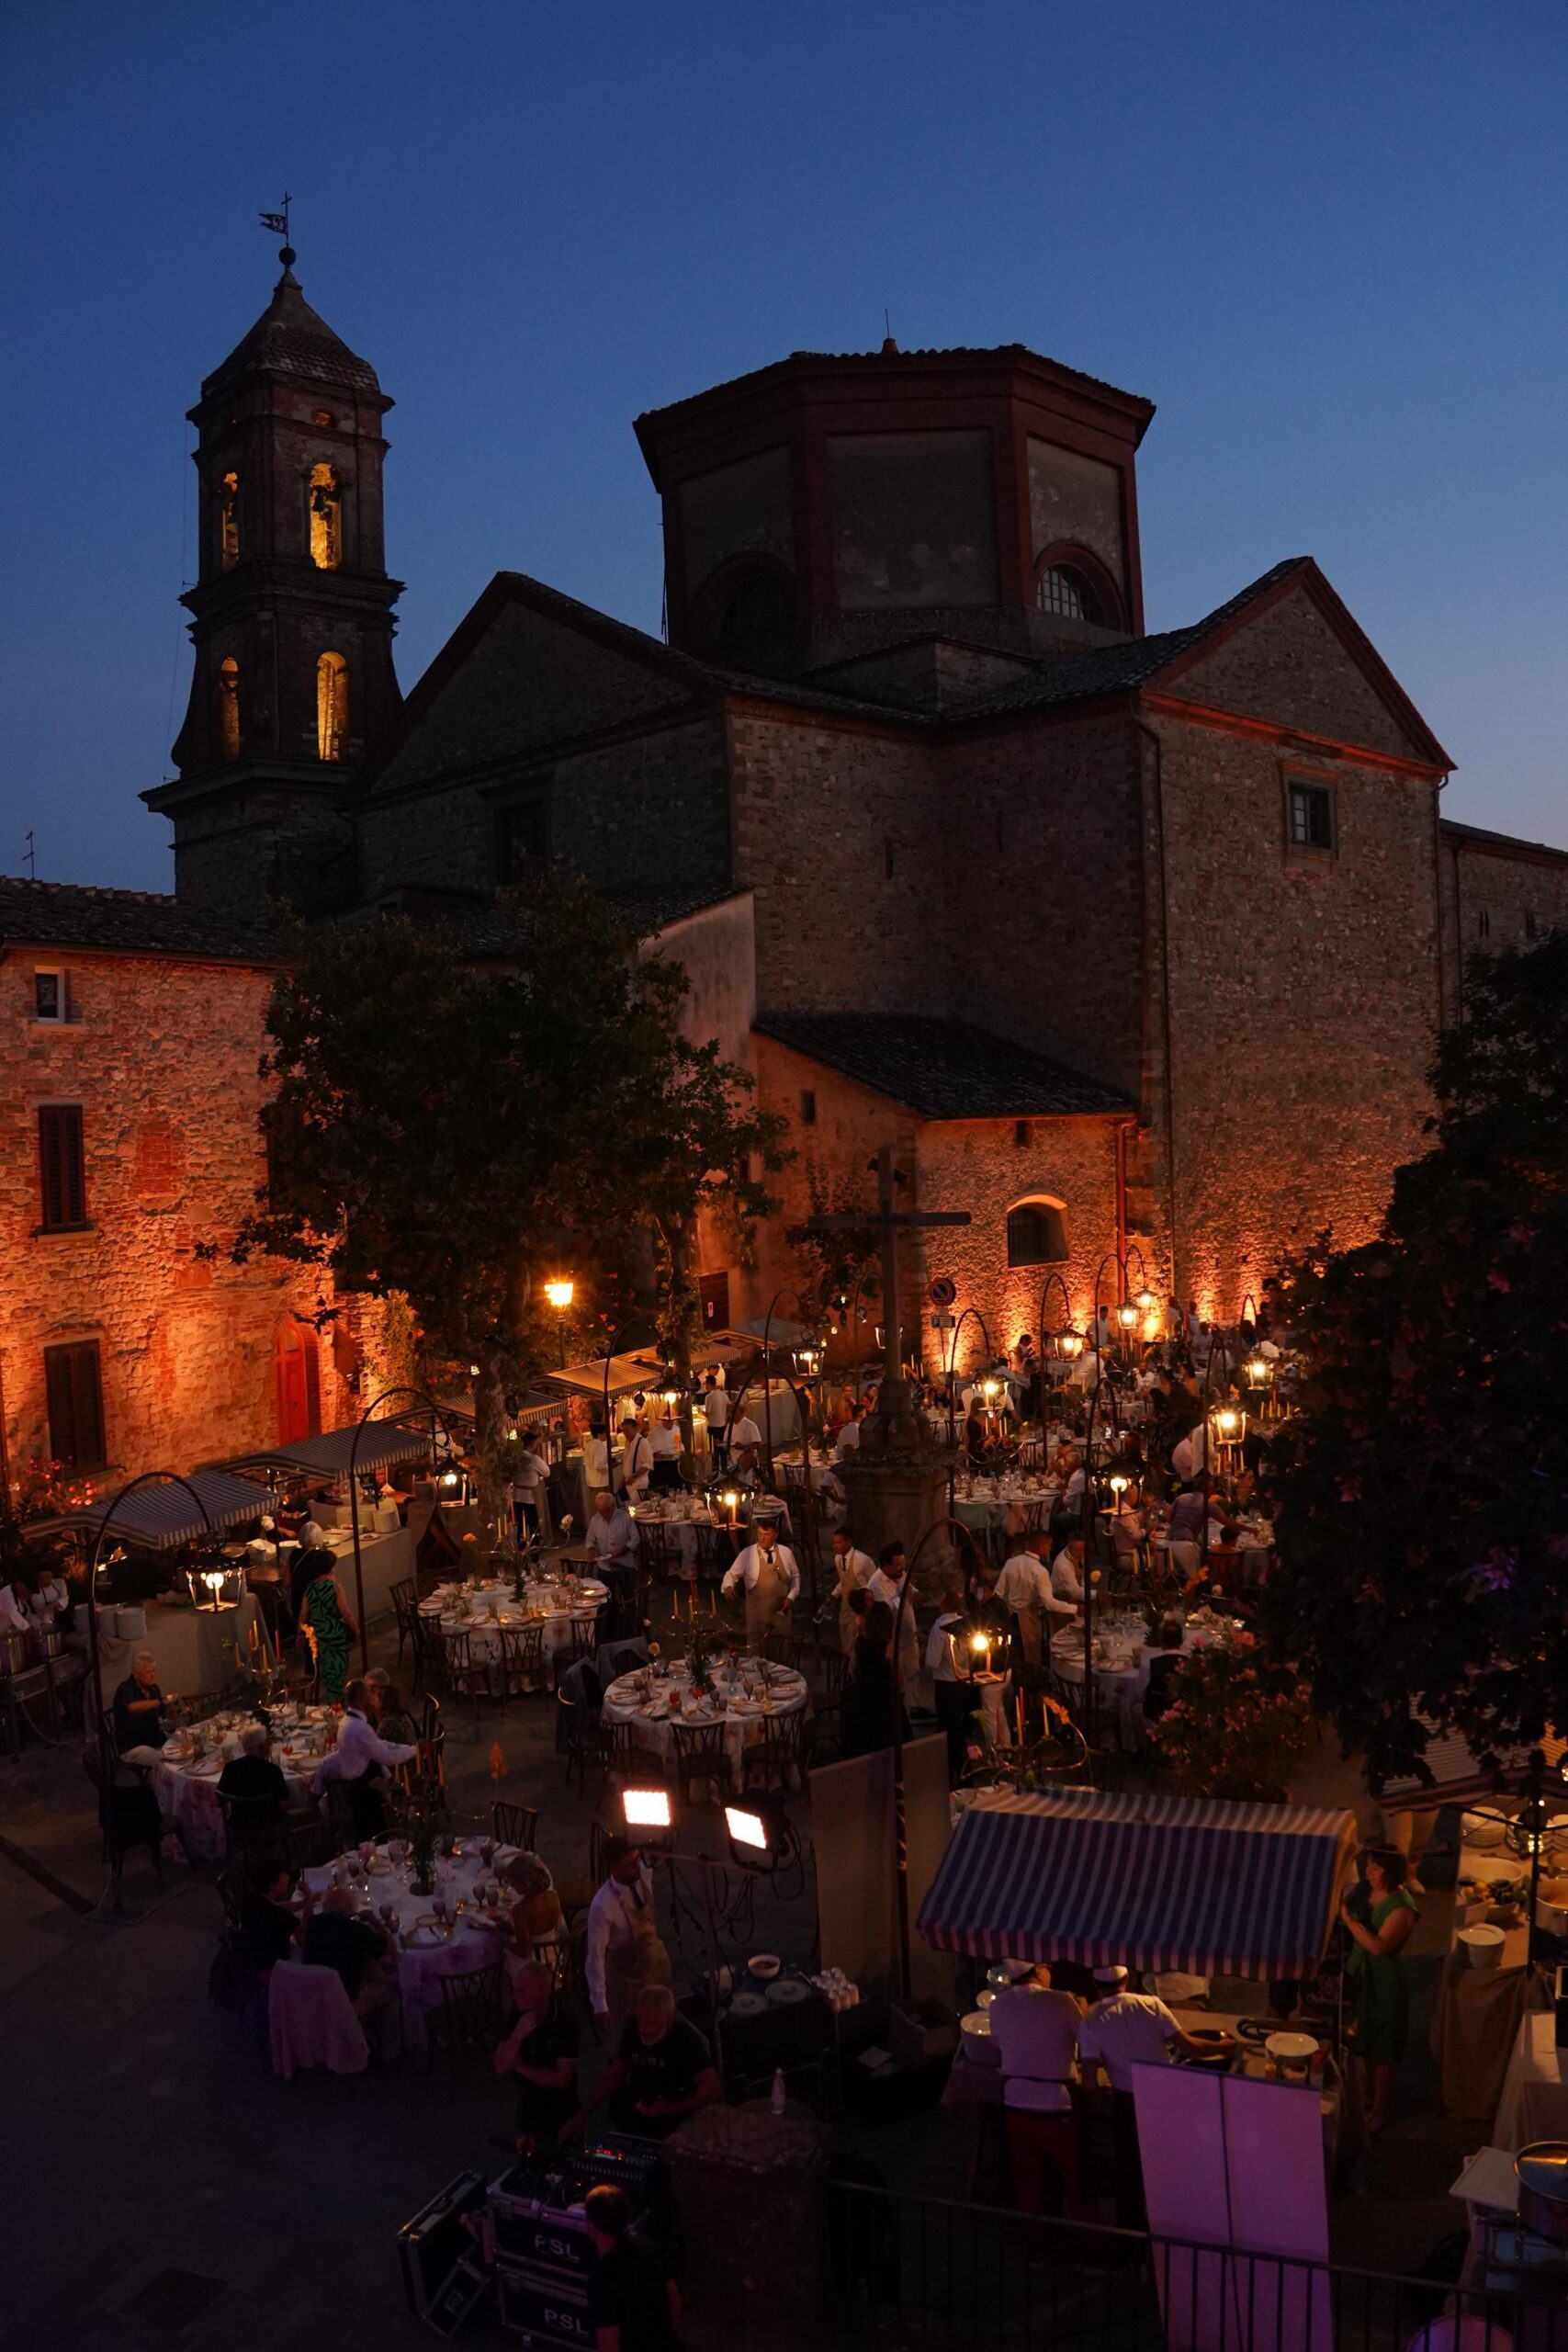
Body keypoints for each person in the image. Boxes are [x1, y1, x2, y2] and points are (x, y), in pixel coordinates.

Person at [1078, 1964, 1212, 2224]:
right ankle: (1171, 2229)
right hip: (1163, 2100)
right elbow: (1189, 2046)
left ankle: (1130, 2240)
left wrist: (1100, 2097)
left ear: (1095, 1984)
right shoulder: (1152, 2004)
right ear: (1127, 1979)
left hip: (1127, 2107)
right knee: (1167, 2167)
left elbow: (1089, 2085)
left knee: (1129, 2173)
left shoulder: (1091, 2021)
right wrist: (1227, 2045)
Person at [989, 1965, 1092, 2219]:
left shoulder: (997, 2005)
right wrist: (1085, 2014)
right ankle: (1092, 2248)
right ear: (1037, 1971)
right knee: (1076, 2176)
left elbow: (997, 2044)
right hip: (1056, 2104)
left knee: (1027, 2179)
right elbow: (1087, 2040)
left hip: (1014, 2103)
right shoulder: (1062, 2001)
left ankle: (1035, 2247)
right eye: (1047, 1966)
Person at [569, 1983, 720, 2144]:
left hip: (673, 2127)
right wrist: (584, 2114)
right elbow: (615, 2074)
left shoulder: (686, 2040)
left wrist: (670, 2108)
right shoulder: (633, 2029)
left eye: (652, 2022)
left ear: (670, 2019)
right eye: (640, 2020)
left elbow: (713, 2088)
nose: (643, 2028)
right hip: (634, 2118)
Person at [1342, 1846, 1418, 2133]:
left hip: (1385, 1982)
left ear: (1391, 1873)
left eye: (1375, 1868)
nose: (1367, 1872)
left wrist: (1349, 1921)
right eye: (1368, 1865)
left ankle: (1381, 2108)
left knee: (1384, 2044)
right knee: (1365, 2036)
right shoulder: (1367, 1887)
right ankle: (1371, 2093)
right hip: (1362, 1976)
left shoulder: (1402, 1908)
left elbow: (1378, 1946)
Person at [585, 1837, 672, 2038]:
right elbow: (595, 1956)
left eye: (637, 1859)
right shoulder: (602, 1905)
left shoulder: (643, 1875)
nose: (637, 1866)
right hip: (627, 1981)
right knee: (631, 2034)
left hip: (657, 1966)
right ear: (614, 1866)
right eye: (630, 1863)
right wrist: (599, 2003)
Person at [299, 1883, 400, 2053]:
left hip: (314, 1998)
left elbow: (304, 1923)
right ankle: (391, 2053)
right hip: (344, 2004)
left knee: (371, 1971)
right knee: (391, 1990)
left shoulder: (313, 1924)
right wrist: (376, 1922)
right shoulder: (356, 1930)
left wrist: (309, 1899)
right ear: (351, 1909)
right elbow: (392, 1949)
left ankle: (365, 2030)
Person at [311, 1677, 418, 1838]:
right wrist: (415, 1750)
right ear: (362, 1697)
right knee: (374, 1838)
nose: (372, 1695)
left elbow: (380, 1745)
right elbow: (386, 1756)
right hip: (363, 1792)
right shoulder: (360, 1729)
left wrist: (409, 1748)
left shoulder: (347, 1722)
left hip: (358, 1788)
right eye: (369, 1692)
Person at [583, 2181, 680, 2351]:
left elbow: (609, 2345)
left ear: (591, 2225)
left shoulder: (603, 2279)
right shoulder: (649, 2248)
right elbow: (675, 2300)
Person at [494, 1960, 581, 2145]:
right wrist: (518, 2034)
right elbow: (500, 2067)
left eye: (521, 1991)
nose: (513, 1997)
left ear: (542, 1991)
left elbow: (561, 2079)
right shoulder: (516, 2018)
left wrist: (521, 2067)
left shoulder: (565, 2023)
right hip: (527, 2114)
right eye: (513, 1989)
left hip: (562, 2114)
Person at [839, 1601, 909, 1759]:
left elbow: (855, 1669)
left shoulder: (860, 1642)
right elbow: (897, 1676)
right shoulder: (889, 1647)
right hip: (883, 1702)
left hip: (863, 1697)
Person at [996, 1533, 1075, 1668]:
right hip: (1027, 1619)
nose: (1050, 1549)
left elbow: (999, 1592)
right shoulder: (1040, 1571)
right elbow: (1049, 1603)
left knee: (1013, 1655)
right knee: (1030, 1658)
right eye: (1049, 1545)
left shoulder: (1011, 1562)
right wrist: (1075, 1609)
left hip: (1009, 1618)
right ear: (1041, 1546)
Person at [720, 1519, 800, 1646]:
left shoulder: (786, 1553)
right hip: (757, 1614)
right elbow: (731, 1574)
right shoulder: (748, 1554)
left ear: (775, 1535)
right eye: (760, 1534)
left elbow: (795, 1577)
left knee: (781, 1647)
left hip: (780, 1612)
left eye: (767, 1535)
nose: (762, 1539)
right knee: (756, 1650)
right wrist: (729, 1586)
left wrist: (791, 1597)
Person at [925, 1589, 977, 1779]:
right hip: (964, 1683)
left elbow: (933, 1661)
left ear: (943, 1605)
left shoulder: (940, 1628)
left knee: (949, 1727)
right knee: (956, 1726)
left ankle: (957, 1768)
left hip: (946, 1685)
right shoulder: (964, 1625)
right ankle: (952, 1765)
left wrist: (926, 1650)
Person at [299, 1556, 357, 1702]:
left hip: (317, 1635)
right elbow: (346, 1612)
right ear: (330, 1568)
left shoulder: (310, 1588)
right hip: (334, 1633)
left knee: (327, 1669)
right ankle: (336, 1704)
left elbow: (303, 1614)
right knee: (337, 1669)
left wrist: (300, 1633)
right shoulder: (335, 1587)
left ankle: (334, 1703)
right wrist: (356, 1629)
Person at [218, 1724, 294, 1835]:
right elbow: (285, 1806)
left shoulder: (230, 1768)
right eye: (268, 1741)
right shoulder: (272, 1771)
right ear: (261, 1746)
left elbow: (218, 1801)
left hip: (239, 1826)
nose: (270, 1744)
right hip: (269, 1827)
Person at [868, 1542, 919, 1697]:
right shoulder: (876, 1584)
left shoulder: (901, 1575)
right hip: (894, 1641)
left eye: (903, 1564)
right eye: (898, 1565)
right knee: (898, 1680)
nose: (902, 1568)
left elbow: (913, 1594)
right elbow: (885, 1611)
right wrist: (900, 1597)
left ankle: (915, 1707)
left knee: (913, 1673)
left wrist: (914, 1595)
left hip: (909, 1637)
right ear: (886, 1565)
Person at [504, 1851, 565, 1975]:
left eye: (513, 1881)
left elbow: (524, 1952)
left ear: (524, 1883)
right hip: (555, 1957)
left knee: (501, 1954)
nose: (511, 1885)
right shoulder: (553, 1896)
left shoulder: (520, 1910)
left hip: (534, 1968)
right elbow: (544, 1929)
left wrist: (498, 1936)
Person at [239, 1855, 300, 1974]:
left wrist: (301, 1903)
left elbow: (276, 1905)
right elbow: (304, 1932)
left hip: (254, 1957)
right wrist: (308, 1900)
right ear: (273, 1885)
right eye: (283, 1874)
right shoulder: (278, 1916)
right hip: (275, 1968)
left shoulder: (251, 1900)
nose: (288, 1876)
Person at [112, 1650, 176, 1763]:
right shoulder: (126, 1688)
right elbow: (132, 1707)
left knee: (184, 1747)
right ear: (136, 1674)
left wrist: (171, 1709)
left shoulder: (153, 1689)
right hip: (133, 1746)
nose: (152, 1675)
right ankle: (156, 1780)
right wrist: (160, 1701)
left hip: (154, 1740)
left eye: (154, 1671)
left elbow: (164, 1715)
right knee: (162, 1760)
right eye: (148, 1672)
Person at [828, 1528, 877, 1657]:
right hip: (846, 1604)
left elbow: (874, 1583)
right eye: (834, 1543)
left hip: (860, 1607)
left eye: (839, 1543)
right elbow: (843, 1581)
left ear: (849, 1542)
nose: (835, 1546)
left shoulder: (863, 1561)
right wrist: (833, 1595)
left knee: (857, 1637)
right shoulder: (838, 1559)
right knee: (845, 1634)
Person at [584, 1492, 640, 1584]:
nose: (602, 1515)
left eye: (605, 1511)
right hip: (604, 1567)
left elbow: (635, 1538)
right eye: (600, 1512)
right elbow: (589, 1540)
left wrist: (623, 1550)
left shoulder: (625, 1517)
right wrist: (592, 1550)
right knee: (607, 1596)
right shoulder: (595, 1520)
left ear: (613, 1506)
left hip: (624, 1565)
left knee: (627, 1595)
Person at [1140, 1623, 1186, 1724]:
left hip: (1155, 1714)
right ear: (1182, 1641)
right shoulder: (1191, 1664)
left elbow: (1140, 1693)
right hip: (1183, 1714)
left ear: (1161, 1642)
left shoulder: (1149, 1664)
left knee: (1131, 1705)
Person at [511, 1430, 551, 1543]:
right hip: (530, 1498)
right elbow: (547, 1472)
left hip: (516, 1496)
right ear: (533, 1444)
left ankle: (522, 1551)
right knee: (534, 1526)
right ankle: (534, 1553)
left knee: (520, 1526)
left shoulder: (515, 1458)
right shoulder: (534, 1459)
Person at [618, 1418, 654, 1505]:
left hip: (639, 1483)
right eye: (623, 1431)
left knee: (637, 1508)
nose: (625, 1433)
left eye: (628, 1430)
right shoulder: (627, 1443)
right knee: (630, 1509)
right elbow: (627, 1462)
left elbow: (648, 1463)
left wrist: (634, 1476)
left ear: (635, 1429)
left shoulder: (643, 1442)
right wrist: (622, 1480)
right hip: (629, 1484)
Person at [1050, 1532, 1087, 1606]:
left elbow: (1083, 1576)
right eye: (1077, 1550)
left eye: (1083, 1550)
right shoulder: (1063, 1564)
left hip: (1075, 1590)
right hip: (1060, 1595)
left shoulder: (1080, 1555)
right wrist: (1095, 1594)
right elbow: (1074, 1591)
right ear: (1069, 1547)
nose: (1081, 1554)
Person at [649, 1414, 682, 1493]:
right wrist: (654, 1454)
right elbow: (647, 1448)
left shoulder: (676, 1429)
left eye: (672, 1422)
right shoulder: (655, 1432)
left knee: (676, 1487)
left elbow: (678, 1445)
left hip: (673, 1462)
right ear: (663, 1421)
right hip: (660, 1464)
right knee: (662, 1489)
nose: (671, 1424)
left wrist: (679, 1453)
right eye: (669, 1422)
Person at [702, 1375, 730, 1467]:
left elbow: (708, 1414)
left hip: (713, 1427)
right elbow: (729, 1406)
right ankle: (725, 1469)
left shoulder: (709, 1397)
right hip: (722, 1426)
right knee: (722, 1449)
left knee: (714, 1450)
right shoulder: (723, 1394)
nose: (705, 1386)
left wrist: (701, 1412)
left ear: (709, 1384)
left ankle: (715, 1469)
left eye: (705, 1384)